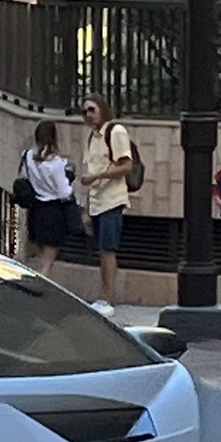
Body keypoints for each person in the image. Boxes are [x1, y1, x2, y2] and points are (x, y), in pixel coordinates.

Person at [77, 96, 134, 312]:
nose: (89, 115)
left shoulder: (115, 132)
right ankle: (104, 296)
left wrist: (98, 175)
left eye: (92, 110)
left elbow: (126, 166)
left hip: (112, 199)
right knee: (102, 250)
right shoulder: (92, 137)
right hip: (97, 200)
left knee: (108, 249)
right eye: (85, 112)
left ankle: (108, 297)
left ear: (102, 109)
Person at [22, 120, 75, 272]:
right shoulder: (55, 163)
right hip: (53, 210)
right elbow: (63, 191)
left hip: (36, 208)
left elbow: (25, 175)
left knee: (40, 255)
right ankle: (42, 287)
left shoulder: (27, 156)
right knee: (48, 259)